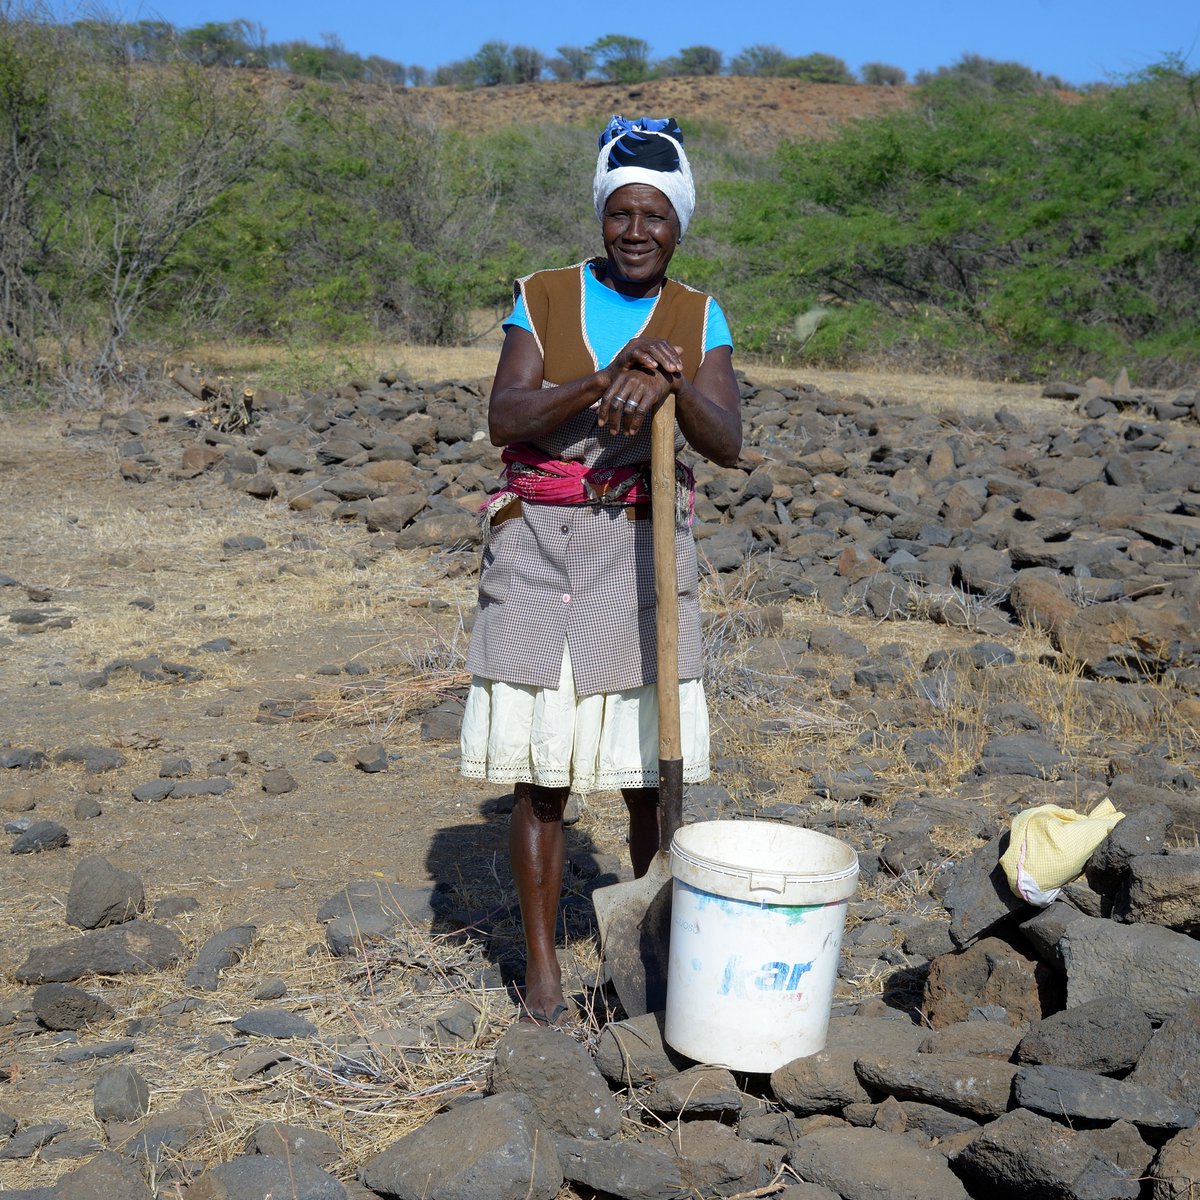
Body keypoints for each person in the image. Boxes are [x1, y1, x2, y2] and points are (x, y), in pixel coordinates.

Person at [459, 115, 742, 1026]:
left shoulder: (700, 315)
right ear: (601, 215)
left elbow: (728, 440)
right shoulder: (542, 296)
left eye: (654, 216)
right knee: (541, 773)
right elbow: (507, 414)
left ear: (679, 224)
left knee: (649, 773)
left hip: (640, 553)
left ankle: (655, 955)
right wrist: (607, 375)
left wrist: (672, 383)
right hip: (542, 547)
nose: (635, 231)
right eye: (620, 212)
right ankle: (542, 972)